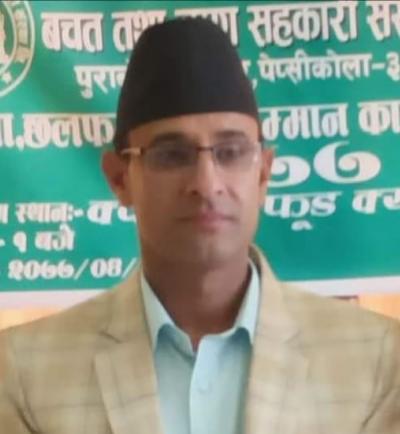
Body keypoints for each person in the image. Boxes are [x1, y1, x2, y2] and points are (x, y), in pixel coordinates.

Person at [0, 17, 399, 434]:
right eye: (172, 155)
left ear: (263, 174)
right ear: (119, 179)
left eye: (231, 152)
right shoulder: (24, 373)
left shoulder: (379, 362)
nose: (207, 184)